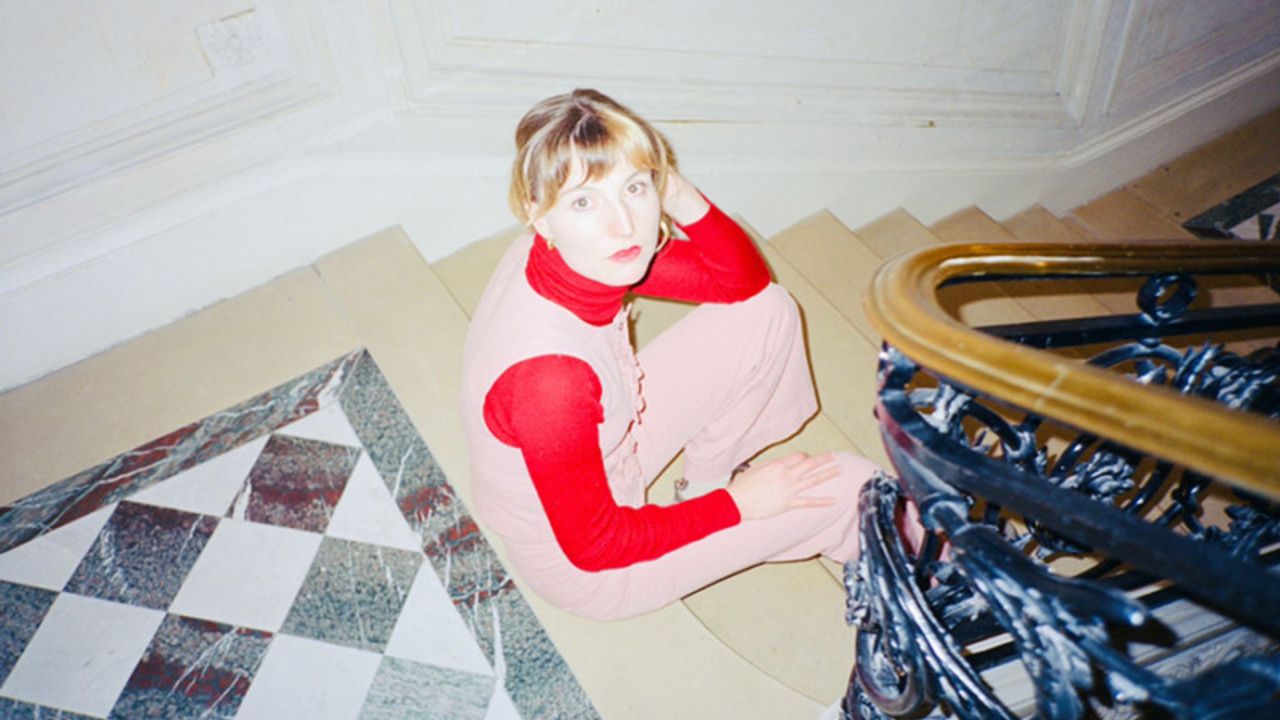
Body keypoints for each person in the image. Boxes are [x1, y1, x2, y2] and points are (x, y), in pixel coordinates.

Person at [460, 88, 882, 620]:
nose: (623, 225)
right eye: (584, 202)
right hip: (598, 571)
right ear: (538, 214)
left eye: (634, 187)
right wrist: (739, 506)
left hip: (612, 445)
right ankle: (925, 581)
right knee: (855, 487)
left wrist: (680, 196)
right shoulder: (549, 382)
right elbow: (596, 546)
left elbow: (744, 284)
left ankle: (703, 482)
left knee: (767, 311)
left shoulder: (570, 252)